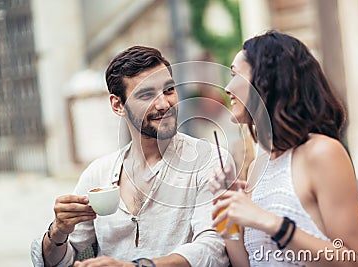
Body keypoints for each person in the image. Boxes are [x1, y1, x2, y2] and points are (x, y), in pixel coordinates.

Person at [31, 46, 230, 267]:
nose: (164, 104)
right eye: (146, 95)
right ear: (118, 105)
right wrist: (58, 232)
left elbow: (214, 249)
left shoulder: (209, 161)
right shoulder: (98, 174)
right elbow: (57, 262)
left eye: (169, 90)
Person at [209, 31, 358, 266]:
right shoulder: (258, 165)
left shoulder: (322, 153)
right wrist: (228, 215)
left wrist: (271, 223)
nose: (226, 87)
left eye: (235, 73)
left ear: (267, 80)